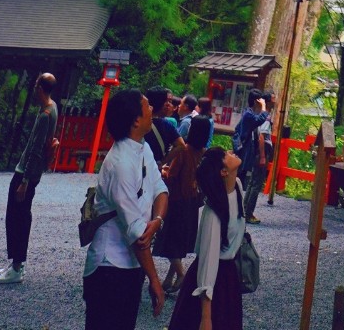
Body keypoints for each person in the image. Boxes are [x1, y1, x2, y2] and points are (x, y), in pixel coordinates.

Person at [82, 88, 167, 330]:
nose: (153, 109)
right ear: (136, 119)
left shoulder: (143, 148)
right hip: (110, 265)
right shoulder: (120, 163)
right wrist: (154, 278)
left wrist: (158, 219)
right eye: (147, 106)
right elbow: (136, 233)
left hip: (132, 264)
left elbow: (161, 189)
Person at [0, 69, 59, 284]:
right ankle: (16, 264)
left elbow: (36, 150)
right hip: (31, 172)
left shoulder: (45, 115)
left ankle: (17, 266)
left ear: (40, 88)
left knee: (17, 217)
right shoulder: (53, 107)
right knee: (20, 216)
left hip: (26, 174)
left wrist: (25, 181)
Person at [168, 142, 244, 330]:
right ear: (223, 172)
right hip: (213, 278)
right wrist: (206, 318)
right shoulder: (213, 212)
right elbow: (208, 261)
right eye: (226, 155)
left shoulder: (237, 187)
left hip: (228, 275)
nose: (231, 152)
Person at [161, 114, 212, 297]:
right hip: (193, 202)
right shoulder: (204, 154)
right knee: (180, 240)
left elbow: (173, 175)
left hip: (178, 201)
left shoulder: (184, 151)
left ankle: (181, 274)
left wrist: (164, 171)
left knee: (170, 241)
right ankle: (169, 279)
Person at [232, 94, 270, 224]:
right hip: (248, 152)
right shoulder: (250, 115)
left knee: (245, 182)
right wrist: (263, 156)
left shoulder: (250, 114)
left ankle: (242, 210)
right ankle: (241, 211)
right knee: (244, 181)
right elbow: (260, 128)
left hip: (249, 151)